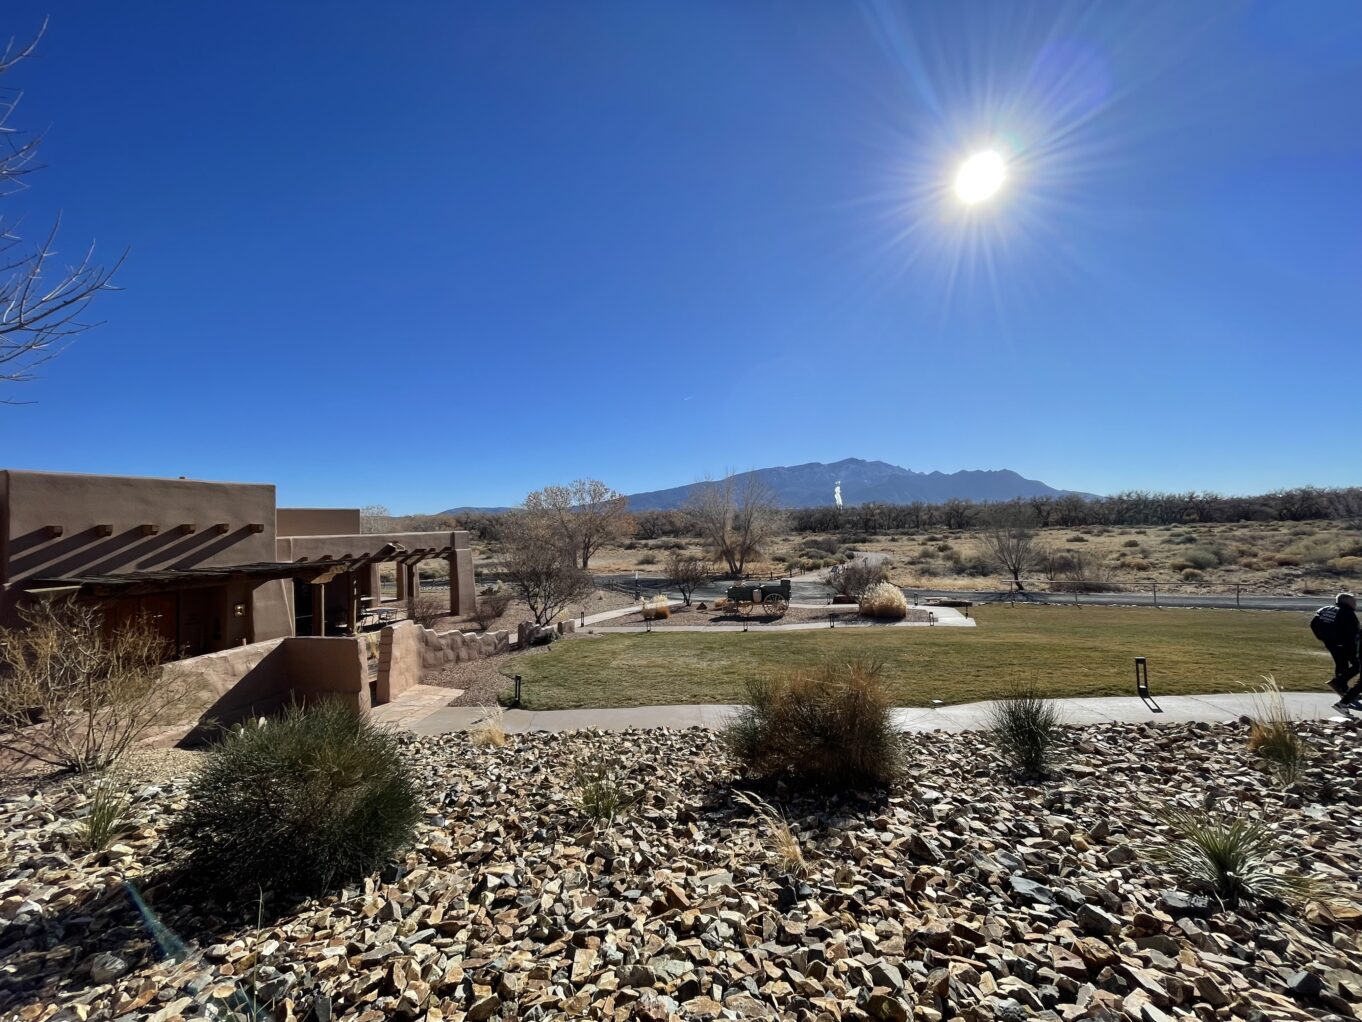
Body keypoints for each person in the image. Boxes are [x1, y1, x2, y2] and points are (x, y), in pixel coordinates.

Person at [1311, 593, 1360, 709]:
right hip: (1345, 643)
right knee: (1358, 664)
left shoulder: (1325, 609)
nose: (1355, 603)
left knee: (1341, 662)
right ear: (1346, 601)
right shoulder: (1347, 613)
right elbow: (1355, 631)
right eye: (1353, 601)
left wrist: (1322, 637)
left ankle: (1342, 688)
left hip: (1330, 643)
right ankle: (1339, 682)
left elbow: (1313, 624)